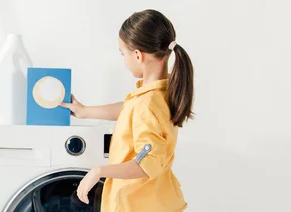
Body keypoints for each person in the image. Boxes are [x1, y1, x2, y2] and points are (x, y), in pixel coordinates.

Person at [59, 9, 194, 212]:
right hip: (156, 200)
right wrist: (85, 111)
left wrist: (98, 171)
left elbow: (147, 163)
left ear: (138, 55)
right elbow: (129, 110)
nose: (123, 60)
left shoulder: (147, 103)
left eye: (123, 53)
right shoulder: (162, 91)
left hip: (135, 204)